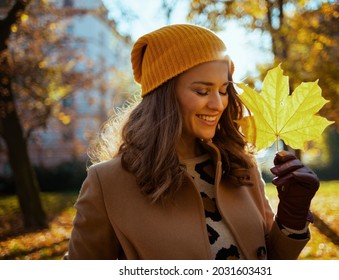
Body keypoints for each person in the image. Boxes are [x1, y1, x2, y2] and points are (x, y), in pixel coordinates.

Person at [64, 24, 320, 260]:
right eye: (202, 91)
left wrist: (291, 218)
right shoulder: (108, 184)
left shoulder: (241, 165)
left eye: (223, 90)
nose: (218, 104)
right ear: (164, 94)